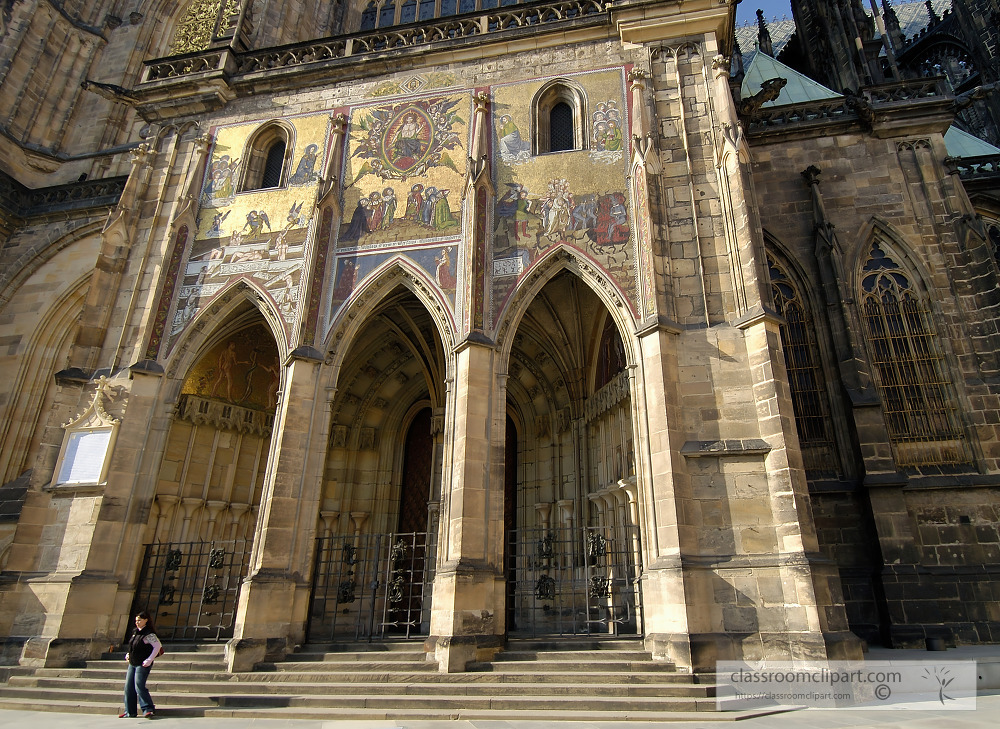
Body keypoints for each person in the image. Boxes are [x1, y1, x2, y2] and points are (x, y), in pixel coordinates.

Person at [120, 611, 161, 718]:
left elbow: (157, 646)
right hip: (133, 662)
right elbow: (132, 646)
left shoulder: (149, 634)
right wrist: (128, 654)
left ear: (146, 620)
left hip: (142, 663)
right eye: (136, 620)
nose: (137, 622)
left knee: (139, 686)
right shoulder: (135, 632)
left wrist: (149, 659)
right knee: (128, 687)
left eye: (139, 620)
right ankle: (130, 711)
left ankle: (148, 708)